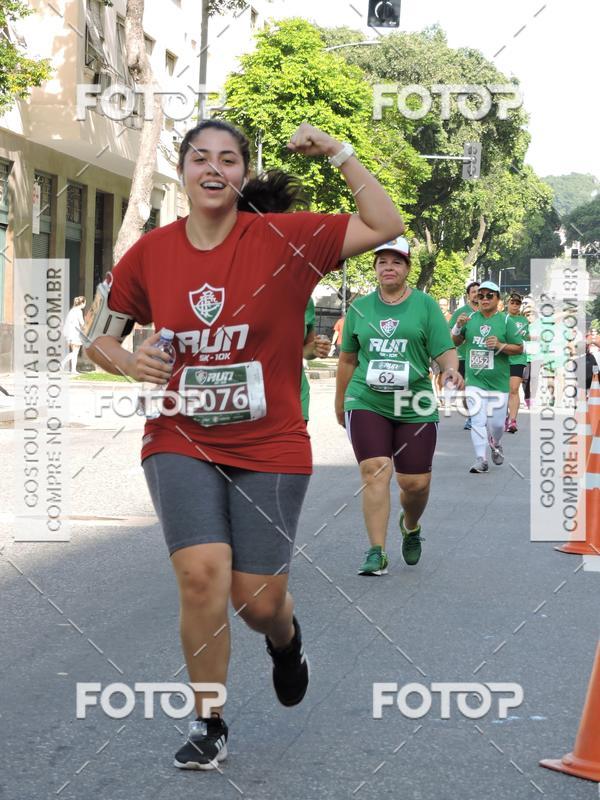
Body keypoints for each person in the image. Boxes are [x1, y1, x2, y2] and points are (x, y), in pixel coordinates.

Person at [84, 119, 404, 769]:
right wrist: (128, 361)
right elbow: (99, 337)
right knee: (201, 575)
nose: (213, 168)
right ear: (181, 171)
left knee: (257, 602)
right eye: (199, 157)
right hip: (180, 436)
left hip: (271, 444)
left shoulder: (286, 238)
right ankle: (210, 722)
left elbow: (384, 222)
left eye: (227, 159)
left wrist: (338, 151)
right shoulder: (150, 252)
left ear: (241, 174)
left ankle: (285, 638)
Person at [335, 237, 463, 575]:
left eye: (396, 262)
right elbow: (347, 360)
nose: (388, 267)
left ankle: (411, 525)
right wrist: (340, 401)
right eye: (382, 262)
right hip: (367, 399)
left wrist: (451, 370)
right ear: (375, 268)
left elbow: (444, 350)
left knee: (415, 484)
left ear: (407, 268)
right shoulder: (360, 308)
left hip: (414, 400)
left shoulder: (425, 305)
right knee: (375, 470)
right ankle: (376, 551)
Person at [452, 281, 524, 473]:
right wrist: (458, 327)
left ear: (498, 298)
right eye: (480, 296)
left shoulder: (506, 321)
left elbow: (519, 348)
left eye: (489, 295)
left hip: (498, 383)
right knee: (477, 420)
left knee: (497, 424)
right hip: (474, 380)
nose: (484, 299)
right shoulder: (469, 319)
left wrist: (500, 345)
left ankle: (496, 441)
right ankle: (481, 459)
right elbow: (455, 342)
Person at [448, 281, 479, 429]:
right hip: (463, 357)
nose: (477, 294)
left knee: (480, 388)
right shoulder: (461, 312)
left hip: (482, 358)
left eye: (479, 292)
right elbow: (451, 335)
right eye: (473, 292)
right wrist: (458, 326)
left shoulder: (487, 312)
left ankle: (479, 415)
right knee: (466, 390)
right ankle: (471, 415)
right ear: (468, 295)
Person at [301, 297, 331, 422]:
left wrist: (315, 348)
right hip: (252, 396)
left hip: (296, 395)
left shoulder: (305, 299)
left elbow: (303, 350)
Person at [505, 292, 529, 433]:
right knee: (503, 390)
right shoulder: (502, 318)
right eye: (512, 303)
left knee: (514, 389)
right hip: (503, 358)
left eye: (517, 303)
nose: (514, 305)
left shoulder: (524, 321)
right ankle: (503, 416)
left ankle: (512, 420)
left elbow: (527, 338)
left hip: (518, 358)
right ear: (507, 303)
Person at [61, 296, 86, 373]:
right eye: (85, 303)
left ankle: (73, 370)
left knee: (74, 352)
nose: (85, 305)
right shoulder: (79, 311)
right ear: (82, 303)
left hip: (70, 333)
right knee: (75, 352)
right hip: (75, 333)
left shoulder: (72, 310)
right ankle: (63, 363)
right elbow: (82, 323)